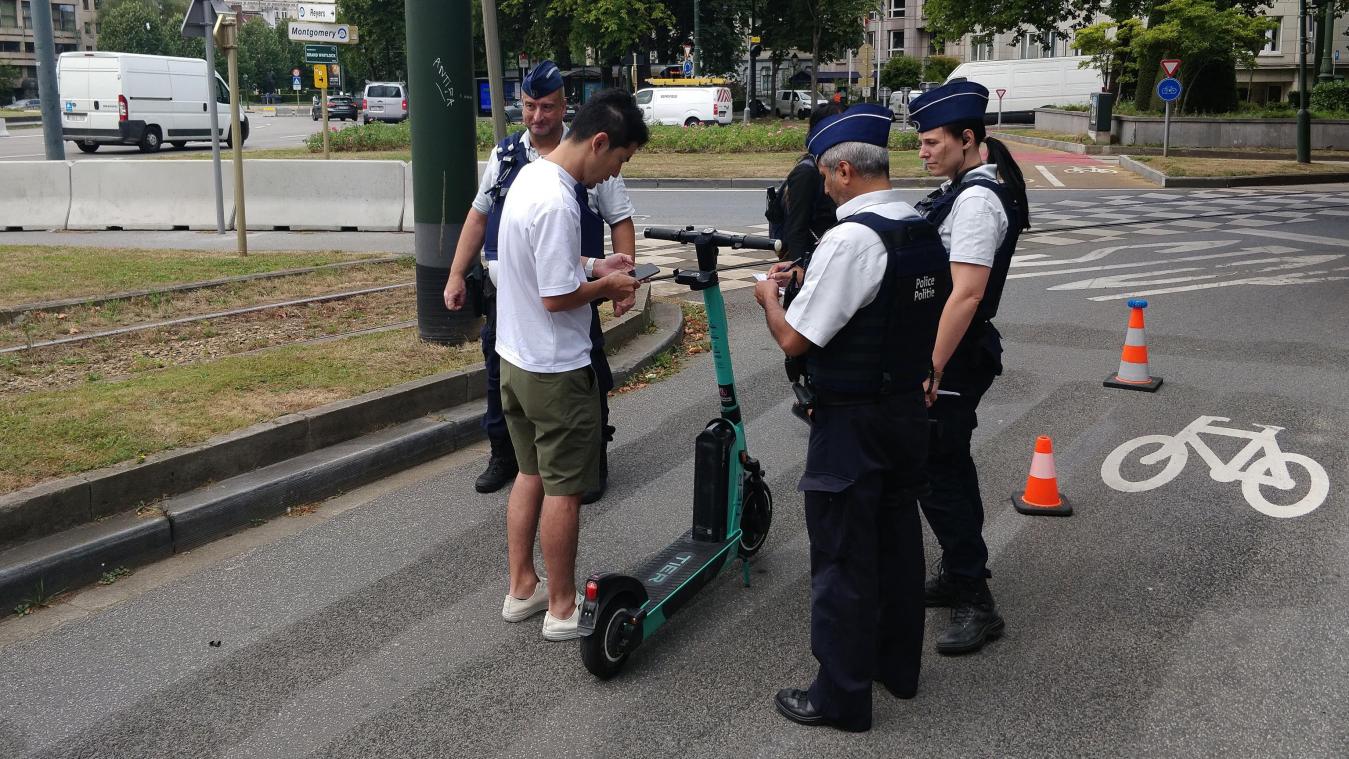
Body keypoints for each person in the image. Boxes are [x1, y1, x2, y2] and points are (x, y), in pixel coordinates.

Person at [755, 104, 952, 732]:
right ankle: (898, 669)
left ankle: (840, 695)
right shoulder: (920, 228)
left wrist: (769, 297)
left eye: (821, 172)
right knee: (896, 543)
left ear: (844, 171)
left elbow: (796, 340)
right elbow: (892, 309)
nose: (819, 183)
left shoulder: (850, 239)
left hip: (851, 420)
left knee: (842, 554)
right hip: (904, 412)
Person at [443, 61, 638, 502]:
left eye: (546, 107)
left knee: (586, 374)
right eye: (529, 106)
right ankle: (505, 455)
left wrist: (620, 278)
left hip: (567, 297)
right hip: (510, 296)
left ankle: (589, 458)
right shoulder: (509, 156)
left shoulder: (587, 157)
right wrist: (457, 273)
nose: (536, 117)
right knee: (500, 378)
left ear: (564, 106)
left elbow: (620, 220)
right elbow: (478, 215)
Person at [493, 90, 647, 641]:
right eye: (619, 161)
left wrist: (593, 261)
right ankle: (561, 608)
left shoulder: (532, 176)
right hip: (555, 369)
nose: (613, 174)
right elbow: (558, 296)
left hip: (514, 359)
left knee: (529, 474)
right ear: (600, 142)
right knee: (564, 490)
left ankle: (521, 588)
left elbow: (545, 261)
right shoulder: (560, 200)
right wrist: (609, 284)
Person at [908, 79, 1030, 655]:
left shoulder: (978, 201)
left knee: (942, 472)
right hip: (946, 354)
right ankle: (958, 573)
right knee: (941, 468)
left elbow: (967, 294)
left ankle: (976, 600)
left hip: (953, 358)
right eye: (921, 142)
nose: (924, 151)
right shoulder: (961, 188)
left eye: (932, 142)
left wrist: (931, 367)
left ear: (967, 138)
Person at [770, 101, 845, 264]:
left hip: (829, 256)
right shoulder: (806, 172)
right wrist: (797, 268)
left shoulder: (836, 165)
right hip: (811, 260)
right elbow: (796, 227)